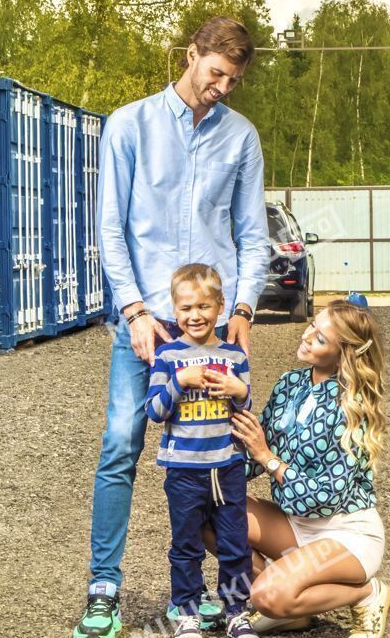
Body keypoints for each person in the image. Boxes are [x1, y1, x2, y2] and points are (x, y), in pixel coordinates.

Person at [74, 17, 269, 638]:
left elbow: (253, 237)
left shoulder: (241, 138)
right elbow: (111, 228)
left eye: (233, 81)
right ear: (192, 55)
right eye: (216, 74)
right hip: (148, 327)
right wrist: (133, 311)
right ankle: (104, 589)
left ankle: (212, 595)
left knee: (222, 457)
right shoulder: (129, 125)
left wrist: (241, 310)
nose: (222, 88)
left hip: (214, 332)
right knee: (121, 444)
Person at [229, 300, 390, 638]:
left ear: (342, 353)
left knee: (266, 596)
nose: (305, 337)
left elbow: (324, 498)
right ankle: (292, 608)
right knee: (208, 508)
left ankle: (367, 593)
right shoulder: (290, 384)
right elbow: (255, 449)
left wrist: (269, 459)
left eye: (319, 338)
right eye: (311, 327)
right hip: (295, 525)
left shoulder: (353, 407)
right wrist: (202, 469)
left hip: (345, 532)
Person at [145, 264, 257, 638]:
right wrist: (179, 381)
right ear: (174, 310)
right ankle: (188, 614)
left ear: (220, 306)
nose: (195, 316)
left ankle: (237, 611)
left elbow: (246, 406)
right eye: (186, 308)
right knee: (186, 546)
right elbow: (155, 412)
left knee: (234, 543)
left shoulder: (234, 358)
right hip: (183, 470)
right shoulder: (167, 357)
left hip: (227, 465)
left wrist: (238, 391)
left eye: (204, 307)